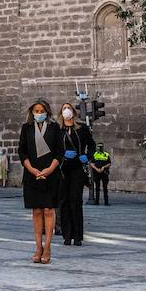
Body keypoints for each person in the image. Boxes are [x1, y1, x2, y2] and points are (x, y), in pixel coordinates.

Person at [19, 99, 61, 264]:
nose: (38, 113)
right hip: (32, 174)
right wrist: (31, 169)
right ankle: (38, 246)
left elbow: (59, 151)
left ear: (47, 112)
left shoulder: (54, 128)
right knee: (36, 211)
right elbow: (22, 151)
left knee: (49, 211)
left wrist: (50, 169)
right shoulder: (26, 128)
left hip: (50, 174)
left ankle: (48, 246)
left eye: (41, 110)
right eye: (35, 111)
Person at [56, 101, 94, 246]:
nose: (66, 110)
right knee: (64, 201)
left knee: (76, 201)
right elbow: (53, 149)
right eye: (64, 108)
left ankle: (77, 235)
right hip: (63, 169)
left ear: (73, 111)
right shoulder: (57, 129)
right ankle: (67, 235)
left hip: (77, 167)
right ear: (61, 112)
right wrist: (62, 155)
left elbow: (92, 145)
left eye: (68, 108)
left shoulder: (82, 128)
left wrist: (87, 156)